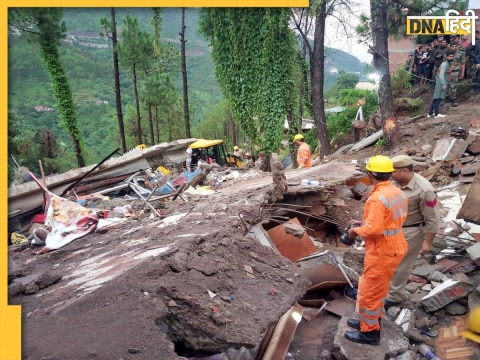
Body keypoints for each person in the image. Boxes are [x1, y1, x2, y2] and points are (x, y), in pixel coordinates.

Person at [343, 155, 408, 346]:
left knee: (369, 292)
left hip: (383, 251)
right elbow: (387, 222)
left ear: (370, 174)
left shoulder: (377, 199)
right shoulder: (396, 192)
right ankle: (367, 322)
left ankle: (369, 333)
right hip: (394, 245)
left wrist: (355, 230)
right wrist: (365, 223)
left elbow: (374, 230)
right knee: (376, 289)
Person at [384, 155, 440, 308]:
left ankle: (395, 297)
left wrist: (428, 242)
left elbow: (433, 219)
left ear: (404, 171)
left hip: (412, 230)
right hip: (393, 229)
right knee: (389, 261)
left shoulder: (424, 189)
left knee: (401, 264)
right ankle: (388, 289)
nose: (390, 174)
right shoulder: (394, 182)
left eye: (393, 171)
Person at [427, 50, 455, 118]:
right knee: (438, 98)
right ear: (447, 57)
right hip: (441, 83)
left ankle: (430, 113)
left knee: (436, 98)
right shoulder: (444, 64)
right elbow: (441, 75)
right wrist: (443, 84)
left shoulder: (448, 64)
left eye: (452, 56)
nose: (451, 58)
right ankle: (436, 114)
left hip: (442, 83)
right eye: (450, 56)